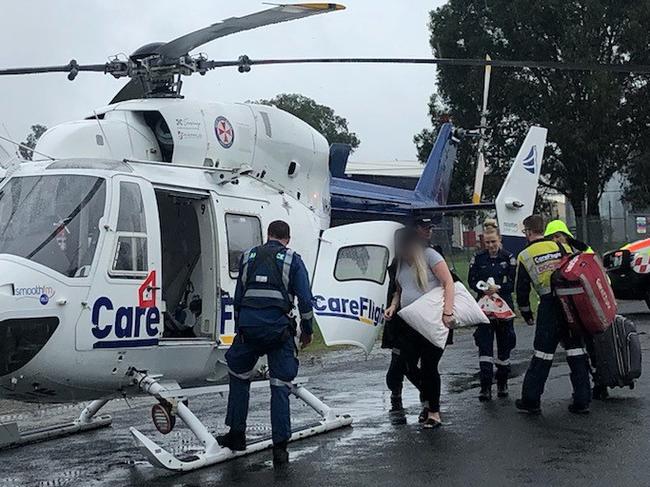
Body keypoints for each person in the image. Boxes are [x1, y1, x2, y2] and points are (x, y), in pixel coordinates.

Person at [217, 220, 314, 465]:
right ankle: (280, 448)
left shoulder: (248, 256)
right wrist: (307, 331)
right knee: (280, 385)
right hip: (278, 331)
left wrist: (240, 329)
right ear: (287, 239)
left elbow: (238, 298)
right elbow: (305, 300)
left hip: (249, 329)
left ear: (268, 235)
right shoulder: (293, 260)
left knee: (238, 374)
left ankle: (236, 434)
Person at [515, 215, 592, 415]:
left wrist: (527, 314)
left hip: (548, 305)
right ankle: (583, 400)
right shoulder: (563, 247)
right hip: (570, 305)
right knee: (576, 351)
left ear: (528, 231)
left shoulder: (525, 255)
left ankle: (531, 401)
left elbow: (522, 290)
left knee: (542, 354)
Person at [384, 227, 456, 428]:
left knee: (429, 366)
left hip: (432, 320)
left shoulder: (430, 256)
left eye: (405, 248)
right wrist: (392, 306)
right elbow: (400, 289)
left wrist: (447, 312)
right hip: (410, 323)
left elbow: (448, 282)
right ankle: (429, 399)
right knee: (406, 365)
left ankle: (433, 412)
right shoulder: (399, 263)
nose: (403, 253)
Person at [544, 219, 608, 400]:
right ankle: (588, 386)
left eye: (558, 236)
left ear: (566, 237)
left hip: (586, 309)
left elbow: (593, 259)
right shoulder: (553, 256)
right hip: (568, 311)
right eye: (552, 237)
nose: (556, 240)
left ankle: (599, 383)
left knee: (591, 348)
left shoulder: (578, 254)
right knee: (578, 350)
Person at [468, 220, 517, 401]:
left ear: (500, 240)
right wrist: (483, 289)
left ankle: (502, 383)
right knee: (484, 346)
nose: (490, 246)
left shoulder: (508, 257)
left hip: (503, 306)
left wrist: (499, 289)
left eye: (493, 242)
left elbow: (513, 282)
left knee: (505, 345)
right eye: (487, 243)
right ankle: (485, 386)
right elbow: (471, 280)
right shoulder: (478, 258)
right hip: (484, 306)